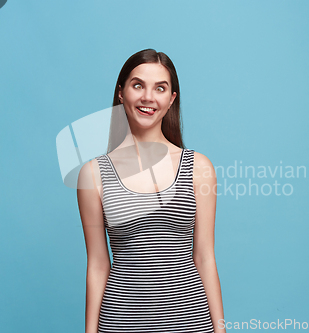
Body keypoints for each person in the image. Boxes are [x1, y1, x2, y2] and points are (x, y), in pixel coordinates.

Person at [76, 48, 226, 332]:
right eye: (138, 85)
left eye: (160, 88)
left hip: (191, 323)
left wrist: (220, 329)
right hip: (120, 323)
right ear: (121, 93)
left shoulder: (198, 167)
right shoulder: (93, 174)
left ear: (171, 100)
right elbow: (97, 264)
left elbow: (205, 257)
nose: (148, 97)